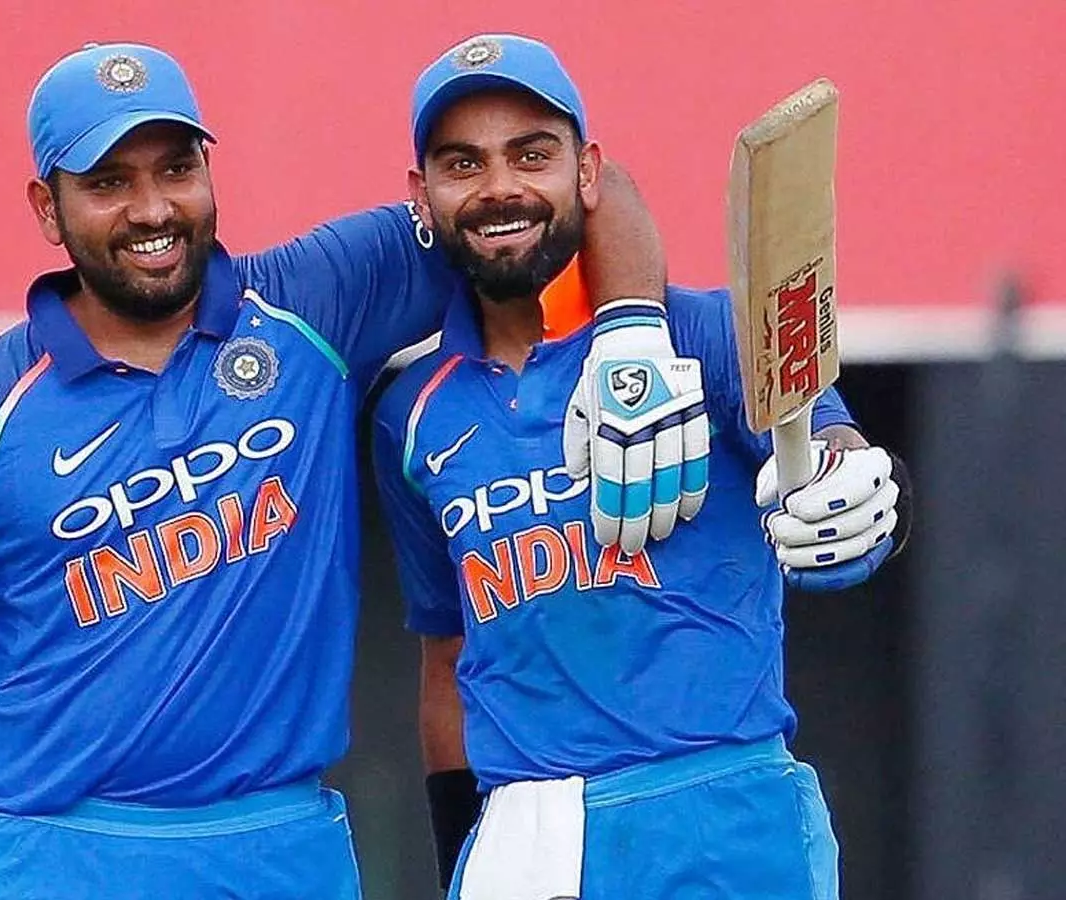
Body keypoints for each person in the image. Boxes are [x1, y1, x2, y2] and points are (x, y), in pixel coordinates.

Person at [0, 41, 675, 900]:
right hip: (47, 857)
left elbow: (587, 189)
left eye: (176, 169)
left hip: (278, 856)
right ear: (48, 208)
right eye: (108, 183)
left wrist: (633, 330)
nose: (152, 209)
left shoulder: (318, 301)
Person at [371, 34, 912, 898]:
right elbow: (447, 655)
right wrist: (459, 852)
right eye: (463, 163)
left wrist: (853, 491)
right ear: (422, 196)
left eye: (532, 155)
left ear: (587, 172)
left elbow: (833, 454)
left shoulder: (704, 332)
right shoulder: (411, 410)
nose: (500, 186)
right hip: (525, 832)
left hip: (726, 811)